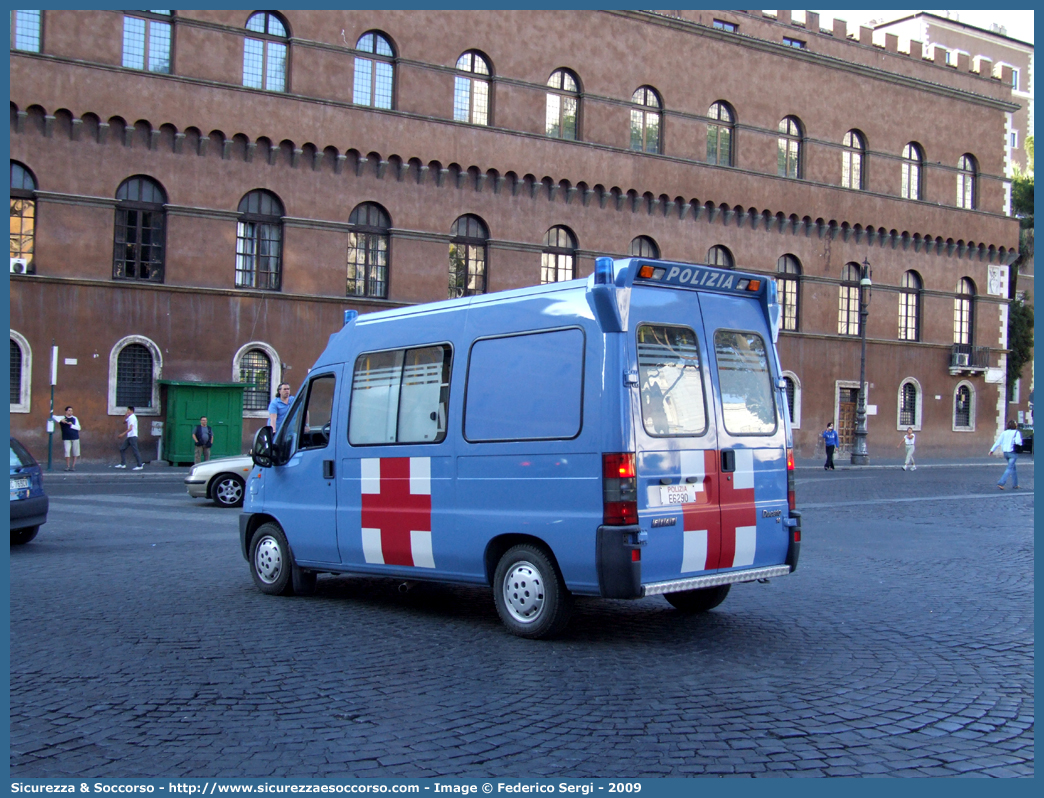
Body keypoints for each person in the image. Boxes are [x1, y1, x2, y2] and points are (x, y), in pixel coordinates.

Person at [989, 419, 1023, 490]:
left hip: (1006, 453)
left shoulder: (1004, 433)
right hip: (1012, 452)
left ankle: (1015, 484)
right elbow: (1018, 442)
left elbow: (998, 442)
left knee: (1013, 468)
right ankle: (1001, 482)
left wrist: (992, 450)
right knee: (1009, 468)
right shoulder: (1016, 433)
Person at [51, 405, 81, 471]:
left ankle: (73, 466)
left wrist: (71, 425)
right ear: (66, 411)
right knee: (67, 451)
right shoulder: (63, 417)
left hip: (75, 437)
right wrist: (61, 420)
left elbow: (79, 428)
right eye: (69, 410)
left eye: (71, 411)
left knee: (75, 452)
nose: (71, 412)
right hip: (66, 437)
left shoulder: (74, 418)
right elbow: (53, 416)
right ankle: (67, 465)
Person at [115, 406, 144, 470]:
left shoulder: (132, 418)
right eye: (127, 410)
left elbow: (130, 428)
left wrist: (122, 434)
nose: (127, 411)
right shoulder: (130, 417)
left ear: (132, 411)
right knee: (122, 449)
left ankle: (140, 465)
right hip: (130, 437)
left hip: (132, 436)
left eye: (128, 410)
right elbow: (124, 422)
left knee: (135, 451)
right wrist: (125, 416)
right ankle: (123, 464)